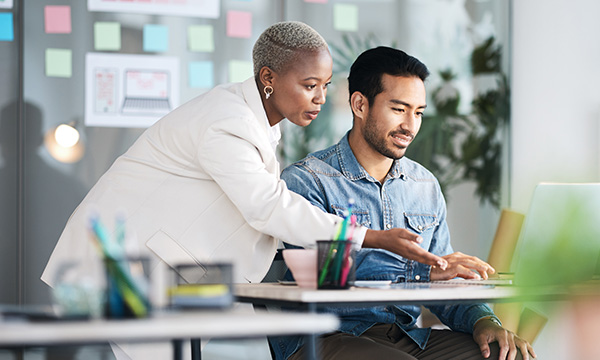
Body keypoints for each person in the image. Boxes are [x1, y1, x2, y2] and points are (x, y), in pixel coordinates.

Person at [41, 23, 447, 358]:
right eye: (309, 85)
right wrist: (373, 238)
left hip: (162, 271)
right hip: (119, 267)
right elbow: (266, 206)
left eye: (324, 85)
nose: (321, 98)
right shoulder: (227, 121)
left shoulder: (257, 124)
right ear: (268, 78)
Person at [275, 47, 536, 360]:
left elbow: (445, 281)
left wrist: (484, 320)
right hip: (325, 336)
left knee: (509, 355)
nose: (411, 126)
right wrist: (421, 272)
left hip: (407, 336)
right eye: (399, 109)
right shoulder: (307, 181)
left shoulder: (424, 185)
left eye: (419, 112)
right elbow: (323, 272)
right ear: (360, 104)